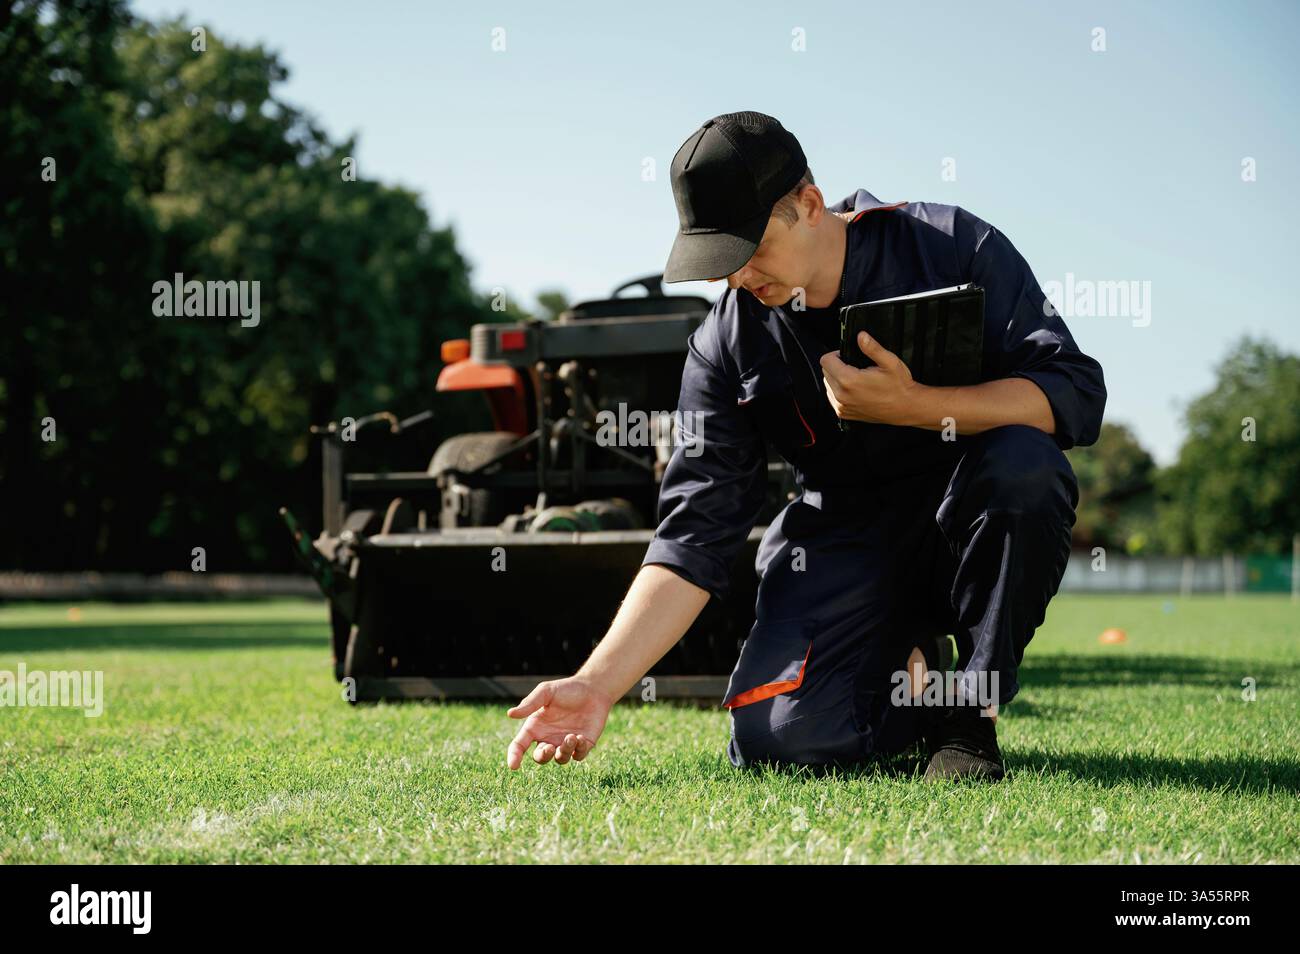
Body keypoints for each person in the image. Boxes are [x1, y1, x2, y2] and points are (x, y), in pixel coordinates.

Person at [505, 111, 1106, 781]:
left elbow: (1074, 393)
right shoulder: (724, 344)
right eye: (718, 261)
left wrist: (920, 407)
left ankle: (970, 711)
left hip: (966, 516)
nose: (736, 277)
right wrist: (597, 683)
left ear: (809, 206)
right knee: (782, 743)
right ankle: (915, 683)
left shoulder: (951, 246)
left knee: (1025, 466)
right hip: (842, 538)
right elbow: (694, 534)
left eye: (750, 249)